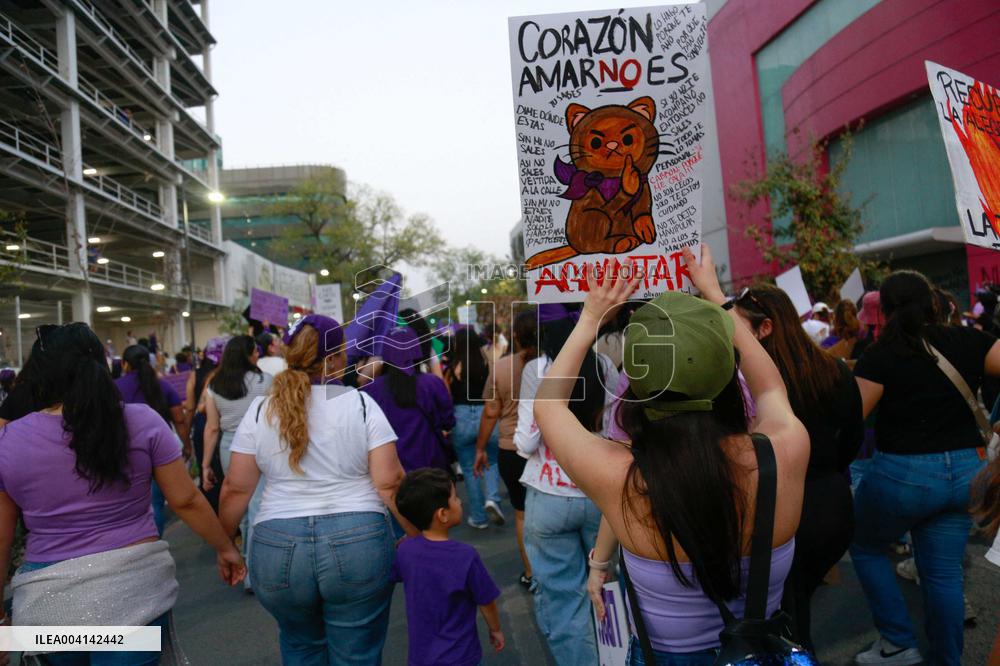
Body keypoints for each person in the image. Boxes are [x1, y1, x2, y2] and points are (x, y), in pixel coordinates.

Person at [534, 248, 810, 666]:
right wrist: (716, 296)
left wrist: (591, 317)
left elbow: (549, 407)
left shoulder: (619, 474)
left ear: (638, 382)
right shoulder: (784, 450)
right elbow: (770, 387)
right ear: (727, 369)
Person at [0, 323, 244, 665]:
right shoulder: (141, 421)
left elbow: (2, 537)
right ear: (102, 364)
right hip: (134, 594)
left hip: (48, 604)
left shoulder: (8, 440)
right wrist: (225, 547)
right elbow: (185, 500)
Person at [218, 315, 415, 665]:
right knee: (357, 654)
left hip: (277, 546)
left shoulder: (261, 410)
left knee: (300, 646)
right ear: (336, 357)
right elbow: (390, 482)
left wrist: (225, 546)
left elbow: (235, 488)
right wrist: (414, 533)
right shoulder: (360, 404)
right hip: (359, 540)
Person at [851, 269, 1000, 666]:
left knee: (865, 545)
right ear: (934, 302)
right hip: (969, 472)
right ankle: (947, 660)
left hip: (904, 475)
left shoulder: (880, 354)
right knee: (944, 574)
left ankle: (898, 644)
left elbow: (852, 418)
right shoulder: (968, 339)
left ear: (884, 311)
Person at [731, 285, 863, 652]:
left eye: (736, 329)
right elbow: (852, 438)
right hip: (833, 505)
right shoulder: (833, 369)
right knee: (795, 608)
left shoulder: (755, 387)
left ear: (765, 329)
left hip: (786, 510)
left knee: (788, 621)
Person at [515, 302, 620, 665]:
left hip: (549, 496)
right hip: (600, 491)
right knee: (606, 588)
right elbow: (613, 431)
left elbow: (526, 442)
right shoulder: (605, 365)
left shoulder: (537, 369)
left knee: (563, 601)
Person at [392, 468, 504, 665]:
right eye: (455, 498)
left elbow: (395, 574)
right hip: (460, 654)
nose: (460, 502)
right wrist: (495, 629)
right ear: (443, 514)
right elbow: (486, 601)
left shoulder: (405, 550)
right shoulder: (465, 556)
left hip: (421, 656)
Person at [202, 335, 272, 590]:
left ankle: (244, 566)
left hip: (228, 446)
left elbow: (211, 428)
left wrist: (206, 464)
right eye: (255, 351)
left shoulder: (215, 385)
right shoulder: (266, 381)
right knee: (256, 506)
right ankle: (253, 575)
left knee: (240, 511)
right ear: (247, 354)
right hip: (260, 444)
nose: (257, 355)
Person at [474, 310, 538, 588]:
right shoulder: (554, 363)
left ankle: (531, 572)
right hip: (549, 448)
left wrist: (480, 449)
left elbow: (491, 411)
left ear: (515, 335)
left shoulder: (500, 367)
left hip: (511, 448)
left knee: (522, 513)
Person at [116, 345, 192, 537]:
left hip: (122, 452)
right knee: (156, 503)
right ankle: (154, 542)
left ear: (125, 364)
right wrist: (187, 446)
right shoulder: (163, 386)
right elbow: (179, 419)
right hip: (159, 452)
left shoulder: (114, 387)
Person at [360, 326, 455, 474]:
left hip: (392, 471)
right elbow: (448, 421)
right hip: (433, 467)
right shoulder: (433, 383)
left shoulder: (370, 391)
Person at [447, 326, 503, 529]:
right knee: (492, 461)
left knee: (470, 469)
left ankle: (478, 517)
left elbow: (447, 395)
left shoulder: (452, 367)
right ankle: (492, 499)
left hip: (460, 416)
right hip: (485, 415)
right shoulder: (488, 364)